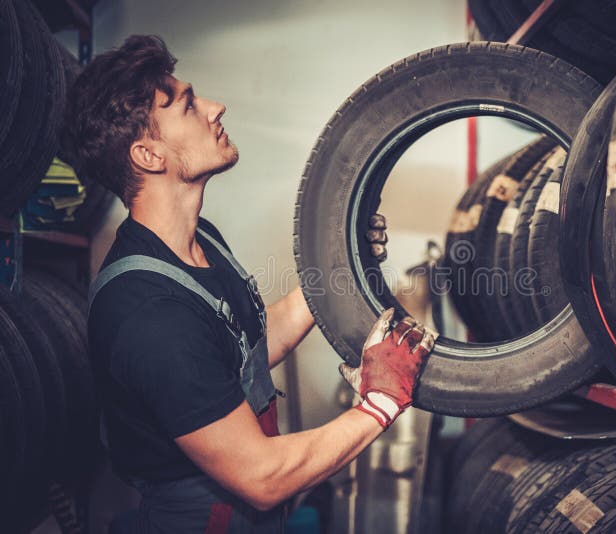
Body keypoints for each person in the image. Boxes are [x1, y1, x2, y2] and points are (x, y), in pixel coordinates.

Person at [62, 35, 436, 533]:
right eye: (189, 106)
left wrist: (341, 269)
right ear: (148, 155)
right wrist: (381, 401)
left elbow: (250, 342)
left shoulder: (201, 241)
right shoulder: (146, 310)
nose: (217, 108)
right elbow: (261, 476)